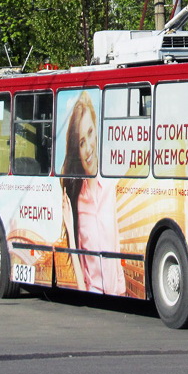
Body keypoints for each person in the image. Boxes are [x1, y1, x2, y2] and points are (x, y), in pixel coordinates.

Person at [60, 91, 126, 295]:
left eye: (90, 133)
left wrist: (121, 291)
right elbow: (80, 277)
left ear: (97, 129)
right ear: (77, 151)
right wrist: (70, 228)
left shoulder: (112, 187)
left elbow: (117, 250)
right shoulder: (76, 201)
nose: (88, 148)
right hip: (92, 293)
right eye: (81, 143)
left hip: (117, 294)